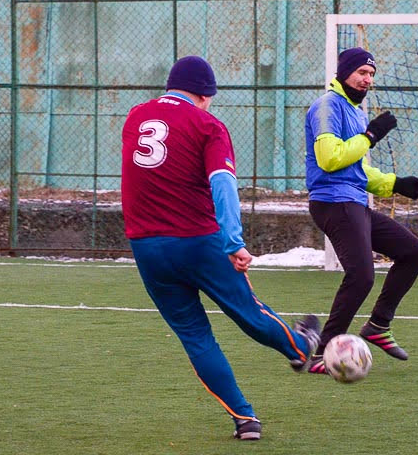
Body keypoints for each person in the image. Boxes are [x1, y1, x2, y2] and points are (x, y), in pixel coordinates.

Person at [121, 56, 320, 441]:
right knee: (247, 311)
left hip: (145, 245)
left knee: (196, 337)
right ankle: (298, 348)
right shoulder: (207, 124)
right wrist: (233, 241)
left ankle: (245, 419)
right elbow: (222, 184)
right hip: (198, 240)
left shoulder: (135, 117)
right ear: (205, 94)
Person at [304, 47, 418, 374]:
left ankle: (377, 326)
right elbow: (330, 159)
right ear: (344, 73)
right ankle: (321, 352)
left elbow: (355, 169)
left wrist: (395, 183)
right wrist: (370, 136)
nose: (367, 79)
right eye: (361, 72)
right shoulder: (326, 106)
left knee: (412, 252)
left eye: (371, 74)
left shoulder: (354, 112)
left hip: (352, 200)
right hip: (333, 201)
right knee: (361, 276)